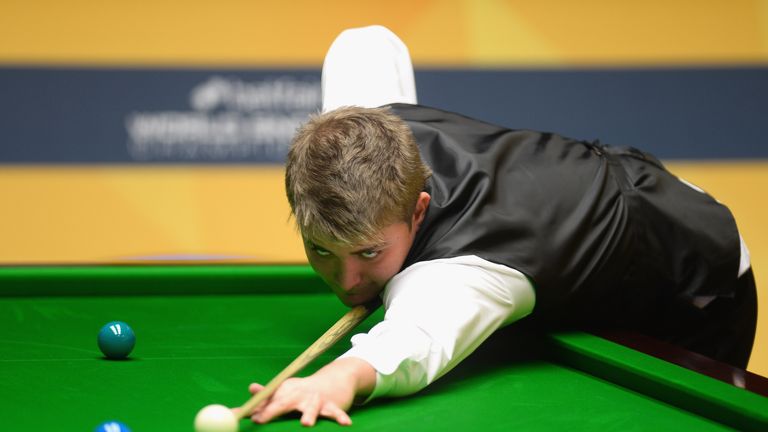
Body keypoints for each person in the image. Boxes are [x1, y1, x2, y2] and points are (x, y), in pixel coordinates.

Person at [243, 25, 758, 426]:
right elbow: (366, 45)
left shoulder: (468, 267)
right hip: (598, 201)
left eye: (370, 254)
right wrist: (369, 256)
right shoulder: (361, 130)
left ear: (418, 210)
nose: (348, 281)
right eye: (323, 251)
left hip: (693, 280)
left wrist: (338, 377)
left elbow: (413, 342)